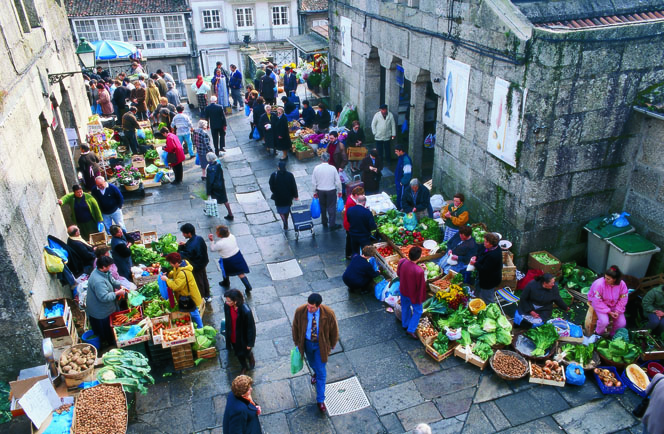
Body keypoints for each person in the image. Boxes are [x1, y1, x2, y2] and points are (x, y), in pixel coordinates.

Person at [292, 293, 339, 413]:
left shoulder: (328, 313)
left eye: (312, 307)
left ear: (318, 306)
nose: (309, 309)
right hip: (307, 343)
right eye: (308, 306)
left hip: (320, 345)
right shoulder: (300, 311)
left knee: (321, 372)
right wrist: (297, 342)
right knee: (312, 363)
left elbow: (334, 329)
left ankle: (320, 400)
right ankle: (315, 373)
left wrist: (333, 343)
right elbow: (295, 327)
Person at [86, 256, 127, 346]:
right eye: (109, 266)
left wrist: (119, 286)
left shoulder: (103, 271)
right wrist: (117, 293)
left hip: (107, 306)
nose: (111, 267)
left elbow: (111, 280)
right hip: (100, 309)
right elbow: (104, 297)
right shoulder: (98, 281)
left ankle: (111, 339)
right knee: (106, 329)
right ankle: (109, 342)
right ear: (104, 267)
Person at [160, 252, 204, 328]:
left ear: (176, 263)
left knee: (194, 312)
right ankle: (195, 324)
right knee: (192, 311)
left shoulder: (183, 273)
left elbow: (176, 286)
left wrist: (167, 279)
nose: (171, 265)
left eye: (171, 263)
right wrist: (168, 273)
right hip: (186, 294)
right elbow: (175, 273)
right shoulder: (181, 265)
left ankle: (200, 327)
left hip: (189, 296)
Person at [209, 225, 252, 294]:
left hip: (228, 260)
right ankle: (248, 286)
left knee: (225, 271)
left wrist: (211, 241)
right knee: (240, 273)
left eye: (216, 232)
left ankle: (226, 282)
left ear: (220, 235)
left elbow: (212, 249)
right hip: (237, 256)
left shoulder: (220, 243)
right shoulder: (232, 236)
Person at [589, 265, 629, 337]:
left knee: (622, 323)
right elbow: (597, 300)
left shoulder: (622, 284)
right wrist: (609, 311)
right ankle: (598, 334)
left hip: (615, 305)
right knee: (604, 322)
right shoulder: (599, 284)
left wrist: (617, 311)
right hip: (600, 305)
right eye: (605, 277)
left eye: (608, 279)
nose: (605, 280)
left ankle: (613, 335)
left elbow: (623, 298)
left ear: (615, 279)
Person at [223, 290, 256, 374]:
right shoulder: (227, 306)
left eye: (229, 301)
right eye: (226, 300)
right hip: (233, 335)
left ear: (236, 301)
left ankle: (250, 356)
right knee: (238, 353)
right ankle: (244, 366)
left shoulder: (246, 311)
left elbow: (251, 328)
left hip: (242, 336)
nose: (227, 302)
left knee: (246, 351)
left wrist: (250, 343)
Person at [397, 246, 427, 340]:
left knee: (405, 307)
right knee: (418, 311)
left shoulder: (402, 261)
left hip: (403, 290)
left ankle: (405, 324)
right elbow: (421, 286)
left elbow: (398, 274)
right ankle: (411, 329)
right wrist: (424, 271)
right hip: (413, 294)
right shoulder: (419, 271)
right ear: (419, 257)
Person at [178, 223, 210, 302]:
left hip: (196, 265)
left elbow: (185, 254)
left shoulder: (190, 245)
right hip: (203, 262)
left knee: (199, 281)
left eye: (184, 233)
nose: (183, 235)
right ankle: (207, 295)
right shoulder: (199, 238)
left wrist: (177, 251)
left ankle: (202, 297)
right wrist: (185, 244)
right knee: (204, 278)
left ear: (189, 233)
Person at [312, 152, 342, 230]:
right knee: (331, 207)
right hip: (331, 190)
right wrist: (340, 191)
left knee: (322, 206)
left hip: (320, 190)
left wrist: (314, 192)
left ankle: (324, 221)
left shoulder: (316, 168)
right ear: (328, 159)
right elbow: (338, 182)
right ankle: (332, 224)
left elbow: (313, 182)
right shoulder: (332, 168)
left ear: (321, 158)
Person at [470, 233, 503, 305]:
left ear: (491, 244)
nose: (483, 243)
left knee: (487, 298)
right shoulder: (487, 247)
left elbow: (484, 269)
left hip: (489, 281)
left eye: (485, 241)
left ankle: (490, 311)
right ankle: (477, 304)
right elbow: (480, 251)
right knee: (477, 291)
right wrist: (476, 257)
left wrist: (474, 263)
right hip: (481, 277)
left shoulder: (494, 255)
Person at [269, 160, 299, 231]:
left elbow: (271, 185)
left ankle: (284, 222)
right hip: (288, 197)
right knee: (287, 209)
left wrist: (275, 191)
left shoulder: (274, 175)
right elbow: (293, 186)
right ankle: (286, 220)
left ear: (278, 167)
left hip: (278, 197)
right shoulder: (290, 175)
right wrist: (295, 195)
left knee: (280, 210)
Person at [206, 152, 234, 220]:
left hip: (215, 187)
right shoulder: (218, 164)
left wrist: (208, 191)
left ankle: (209, 211)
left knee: (210, 199)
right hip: (221, 185)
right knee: (224, 200)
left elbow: (210, 181)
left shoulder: (210, 168)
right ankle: (230, 213)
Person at [342, 186, 364, 259]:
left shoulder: (351, 198)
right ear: (356, 195)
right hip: (350, 225)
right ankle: (349, 254)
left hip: (349, 223)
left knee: (349, 238)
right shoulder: (351, 203)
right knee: (350, 239)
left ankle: (349, 253)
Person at [394, 144, 412, 210]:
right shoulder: (401, 158)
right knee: (399, 195)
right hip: (399, 181)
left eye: (396, 151)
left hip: (402, 183)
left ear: (400, 151)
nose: (395, 153)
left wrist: (402, 182)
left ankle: (401, 209)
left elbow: (407, 174)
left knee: (402, 197)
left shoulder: (406, 160)